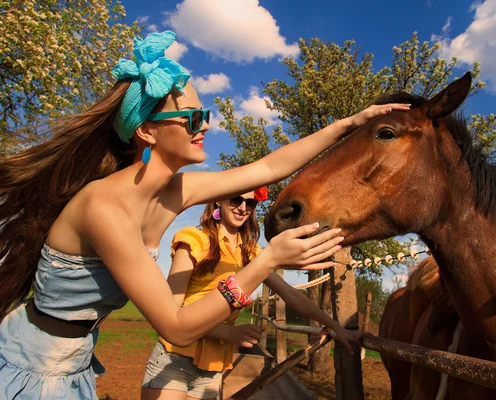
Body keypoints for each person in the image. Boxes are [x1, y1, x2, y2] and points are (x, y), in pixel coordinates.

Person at [0, 30, 410, 399]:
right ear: (147, 131)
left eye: (205, 115)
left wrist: (349, 124)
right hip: (33, 366)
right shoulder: (104, 207)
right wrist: (268, 259)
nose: (205, 126)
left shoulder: (177, 189)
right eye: (192, 118)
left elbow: (267, 168)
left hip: (73, 360)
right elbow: (175, 327)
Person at [141, 191, 361, 400]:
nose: (243, 208)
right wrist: (227, 332)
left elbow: (291, 295)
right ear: (218, 200)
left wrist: (336, 326)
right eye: (236, 199)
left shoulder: (251, 254)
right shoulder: (193, 240)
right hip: (174, 359)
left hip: (214, 367)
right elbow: (169, 313)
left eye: (251, 203)